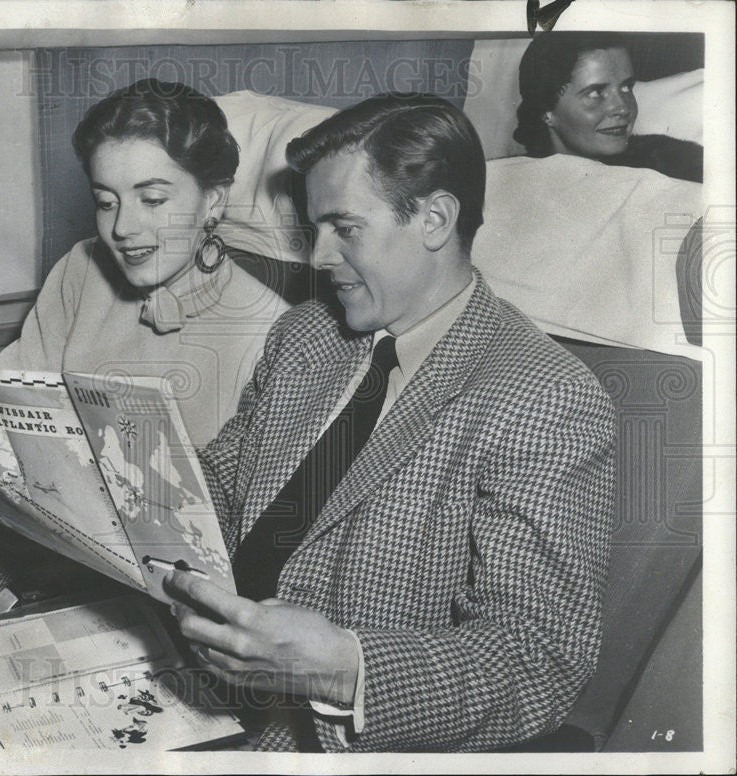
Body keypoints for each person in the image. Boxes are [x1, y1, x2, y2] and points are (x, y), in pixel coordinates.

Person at [163, 93, 617, 752]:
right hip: (202, 683)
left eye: (344, 228)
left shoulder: (543, 396)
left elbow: (535, 660)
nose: (317, 258)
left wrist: (347, 671)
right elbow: (222, 484)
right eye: (315, 227)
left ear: (434, 219)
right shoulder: (308, 337)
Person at [0, 79, 289, 507]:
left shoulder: (276, 334)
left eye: (153, 200)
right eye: (106, 202)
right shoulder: (81, 270)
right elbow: (4, 407)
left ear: (213, 200)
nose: (122, 228)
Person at [514, 32, 702, 182]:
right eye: (596, 93)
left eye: (627, 87)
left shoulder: (676, 163)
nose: (623, 108)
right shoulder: (512, 182)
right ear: (546, 111)